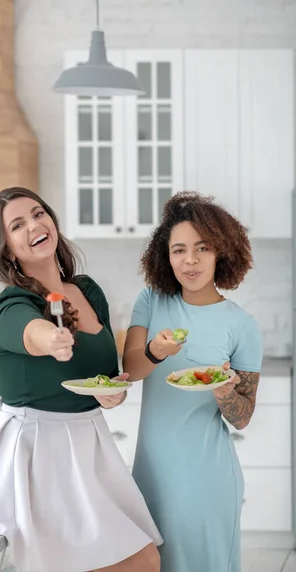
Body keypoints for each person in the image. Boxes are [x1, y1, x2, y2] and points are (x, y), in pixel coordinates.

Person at [0, 187, 162, 572]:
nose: (35, 225)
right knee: (133, 561)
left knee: (141, 557)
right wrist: (50, 339)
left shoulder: (86, 291)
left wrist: (110, 394)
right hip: (37, 454)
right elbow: (30, 332)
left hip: (88, 446)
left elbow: (103, 376)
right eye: (18, 225)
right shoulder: (12, 304)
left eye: (38, 214)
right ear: (6, 249)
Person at [123, 191, 263, 572]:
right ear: (164, 257)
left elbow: (243, 416)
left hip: (207, 475)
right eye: (178, 250)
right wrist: (155, 350)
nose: (190, 260)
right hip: (150, 471)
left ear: (222, 252)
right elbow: (131, 369)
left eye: (202, 248)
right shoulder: (151, 300)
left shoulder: (242, 326)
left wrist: (225, 393)